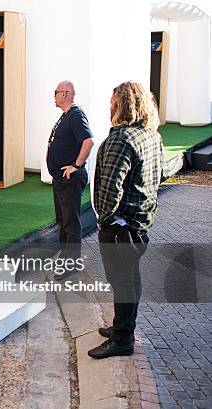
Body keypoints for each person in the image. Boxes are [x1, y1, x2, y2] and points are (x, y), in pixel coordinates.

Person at [88, 81, 164, 359]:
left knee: (123, 282)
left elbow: (110, 188)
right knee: (129, 279)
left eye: (112, 102)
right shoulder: (151, 135)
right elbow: (159, 176)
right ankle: (122, 327)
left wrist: (104, 218)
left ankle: (122, 339)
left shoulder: (122, 138)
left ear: (123, 104)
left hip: (120, 227)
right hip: (141, 224)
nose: (109, 107)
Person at [47, 81, 94, 280]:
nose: (54, 96)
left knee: (70, 222)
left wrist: (76, 165)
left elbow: (89, 141)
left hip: (69, 179)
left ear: (65, 94)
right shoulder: (67, 115)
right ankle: (66, 257)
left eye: (56, 92)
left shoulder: (75, 115)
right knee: (63, 220)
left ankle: (71, 263)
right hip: (61, 179)